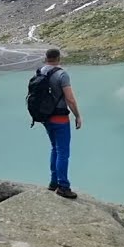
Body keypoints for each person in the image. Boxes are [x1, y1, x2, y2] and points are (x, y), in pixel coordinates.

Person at [36, 48, 82, 199]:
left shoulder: (40, 71)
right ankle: (63, 186)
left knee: (54, 148)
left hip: (45, 117)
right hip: (60, 118)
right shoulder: (62, 74)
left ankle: (53, 182)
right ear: (58, 58)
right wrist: (77, 115)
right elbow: (70, 99)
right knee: (63, 152)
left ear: (46, 58)